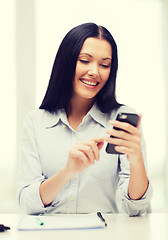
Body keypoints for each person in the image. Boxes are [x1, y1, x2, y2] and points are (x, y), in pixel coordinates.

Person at [18, 22, 152, 216]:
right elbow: (28, 204)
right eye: (85, 60)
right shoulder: (36, 122)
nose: (94, 72)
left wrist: (137, 159)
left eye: (104, 65)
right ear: (66, 61)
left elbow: (135, 209)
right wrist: (68, 172)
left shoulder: (120, 121)